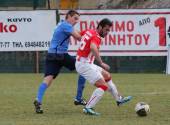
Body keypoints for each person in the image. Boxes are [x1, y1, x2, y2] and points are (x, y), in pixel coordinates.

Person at [75, 18, 132, 115]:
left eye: (109, 30)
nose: (107, 32)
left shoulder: (90, 31)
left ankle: (119, 99)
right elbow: (93, 47)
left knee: (107, 76)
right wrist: (101, 62)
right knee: (103, 86)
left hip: (85, 63)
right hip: (84, 65)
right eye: (106, 30)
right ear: (100, 27)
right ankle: (88, 108)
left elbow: (79, 34)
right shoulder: (96, 36)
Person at [33, 10, 87, 114]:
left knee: (47, 80)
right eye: (75, 18)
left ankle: (38, 100)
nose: (76, 21)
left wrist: (85, 33)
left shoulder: (61, 24)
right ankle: (78, 98)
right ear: (69, 17)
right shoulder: (66, 26)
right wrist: (91, 36)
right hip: (60, 55)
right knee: (83, 68)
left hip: (51, 55)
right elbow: (79, 37)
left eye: (78, 19)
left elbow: (77, 33)